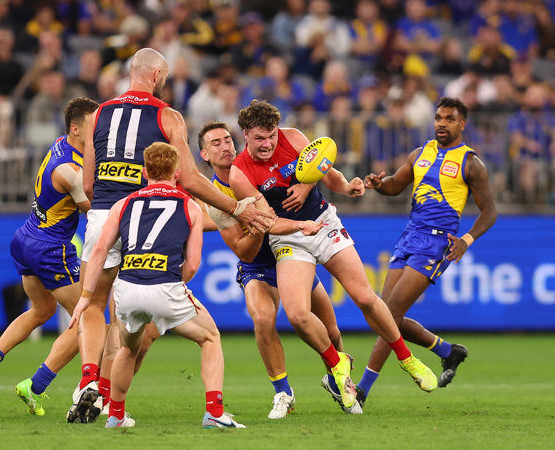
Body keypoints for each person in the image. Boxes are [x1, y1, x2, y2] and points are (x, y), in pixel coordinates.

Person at [67, 47, 271, 424]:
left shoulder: (99, 114)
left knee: (96, 305)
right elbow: (190, 179)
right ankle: (109, 399)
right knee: (130, 325)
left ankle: (89, 380)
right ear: (157, 75)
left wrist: (108, 207)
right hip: (147, 218)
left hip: (104, 213)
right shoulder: (168, 116)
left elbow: (88, 184)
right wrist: (235, 207)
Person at [229, 99, 437, 411]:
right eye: (260, 138)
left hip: (324, 223)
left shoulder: (293, 138)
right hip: (289, 237)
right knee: (297, 315)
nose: (268, 144)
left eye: (271, 136)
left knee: (365, 297)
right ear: (245, 134)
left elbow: (327, 171)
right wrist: (300, 225)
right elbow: (267, 222)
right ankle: (337, 364)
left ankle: (407, 359)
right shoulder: (239, 173)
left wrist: (346, 186)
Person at [70, 142, 245, 429]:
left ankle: (115, 416)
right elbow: (192, 264)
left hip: (126, 288)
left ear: (144, 172)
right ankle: (214, 412)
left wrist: (85, 297)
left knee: (127, 349)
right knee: (210, 337)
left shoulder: (122, 204)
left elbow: (100, 250)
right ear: (177, 173)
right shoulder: (190, 206)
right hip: (166, 286)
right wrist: (172, 286)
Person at [198, 121, 363, 417]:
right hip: (259, 263)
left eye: (227, 140)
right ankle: (283, 393)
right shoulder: (216, 198)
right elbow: (243, 251)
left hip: (294, 253)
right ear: (204, 155)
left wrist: (309, 187)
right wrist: (260, 226)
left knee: (330, 330)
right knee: (263, 319)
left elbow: (307, 169)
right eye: (215, 143)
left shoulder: (254, 166)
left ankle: (338, 381)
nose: (224, 147)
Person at [357, 97, 497, 406]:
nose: (441, 124)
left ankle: (361, 391)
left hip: (436, 243)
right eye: (438, 118)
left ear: (462, 124)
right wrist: (379, 184)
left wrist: (467, 240)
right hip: (410, 236)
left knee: (389, 314)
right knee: (384, 315)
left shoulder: (471, 163)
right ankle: (448, 351)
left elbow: (490, 212)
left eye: (449, 119)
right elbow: (395, 185)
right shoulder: (420, 154)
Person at [0, 97, 100, 415]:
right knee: (88, 319)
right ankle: (35, 386)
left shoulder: (61, 145)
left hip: (25, 237)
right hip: (49, 248)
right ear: (76, 128)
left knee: (42, 310)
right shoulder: (70, 171)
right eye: (94, 124)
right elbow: (94, 211)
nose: (100, 129)